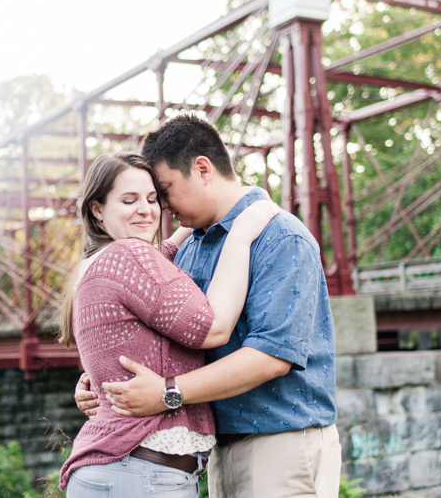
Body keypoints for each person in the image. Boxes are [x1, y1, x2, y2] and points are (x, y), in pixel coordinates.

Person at [78, 115, 342, 498]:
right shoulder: (191, 246)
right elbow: (159, 335)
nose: (161, 208)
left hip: (281, 443)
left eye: (163, 191)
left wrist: (168, 391)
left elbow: (272, 356)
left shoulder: (279, 235)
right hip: (219, 448)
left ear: (202, 169)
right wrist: (102, 379)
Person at [58, 152, 279, 497]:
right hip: (143, 474)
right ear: (97, 210)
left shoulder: (96, 264)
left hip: (114, 472)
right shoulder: (130, 255)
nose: (146, 210)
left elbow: (157, 266)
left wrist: (192, 220)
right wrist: (242, 231)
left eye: (152, 199)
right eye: (129, 200)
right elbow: (214, 327)